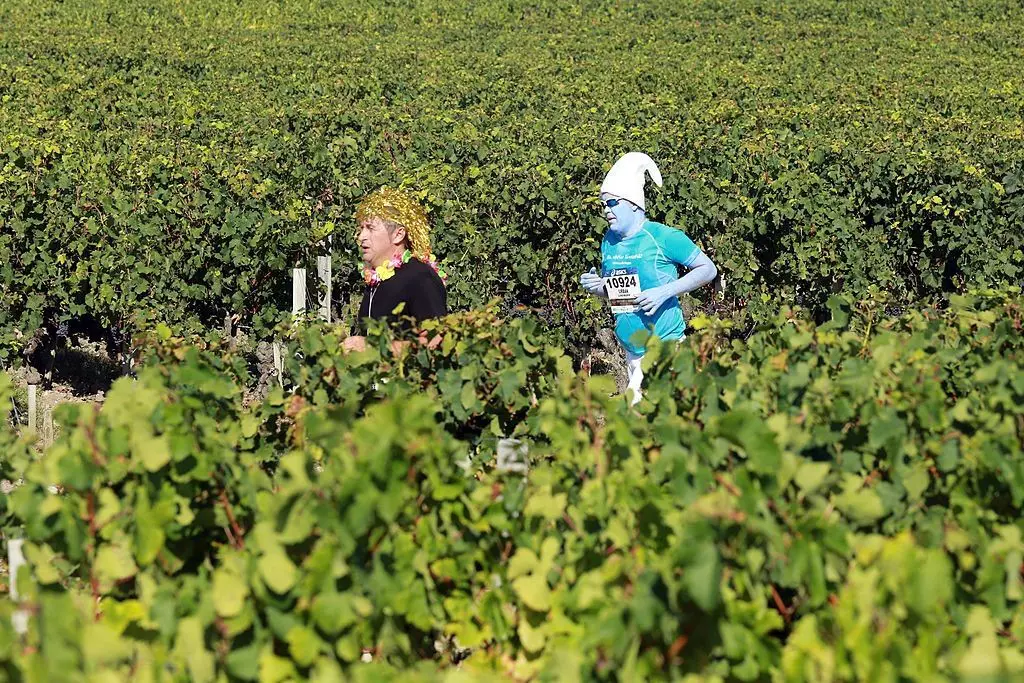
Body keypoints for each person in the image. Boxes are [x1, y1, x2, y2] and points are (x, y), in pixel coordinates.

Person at [579, 152, 718, 403]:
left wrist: (664, 292)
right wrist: (597, 286)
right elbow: (619, 290)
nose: (606, 211)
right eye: (603, 205)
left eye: (612, 203)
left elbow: (708, 270)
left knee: (631, 420)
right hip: (632, 352)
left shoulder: (663, 236)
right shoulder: (608, 242)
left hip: (664, 347)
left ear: (633, 203)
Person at [342, 187, 447, 353]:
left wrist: (373, 348)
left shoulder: (419, 276)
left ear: (398, 235)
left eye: (370, 228)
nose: (361, 236)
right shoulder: (376, 279)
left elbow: (437, 341)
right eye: (361, 228)